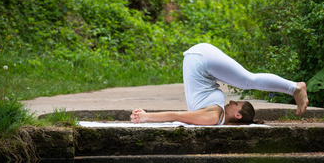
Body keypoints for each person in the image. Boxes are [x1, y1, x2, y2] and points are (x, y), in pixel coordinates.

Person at [131, 43, 308, 125]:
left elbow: (177, 115)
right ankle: (294, 87)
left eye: (236, 104)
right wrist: (145, 117)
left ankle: (295, 87)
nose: (232, 101)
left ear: (238, 115)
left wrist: (147, 116)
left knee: (248, 81)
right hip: (202, 60)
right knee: (247, 81)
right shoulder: (217, 113)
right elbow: (178, 116)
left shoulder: (214, 117)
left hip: (201, 60)